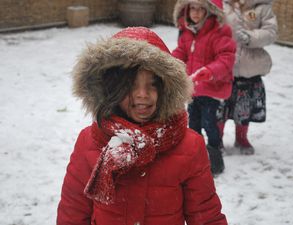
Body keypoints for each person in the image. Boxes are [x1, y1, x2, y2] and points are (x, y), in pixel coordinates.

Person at [56, 27, 228, 225]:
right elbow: (73, 212)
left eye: (153, 84)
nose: (142, 94)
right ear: (112, 89)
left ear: (166, 88)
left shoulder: (189, 146)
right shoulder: (90, 142)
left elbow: (206, 215)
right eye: (131, 85)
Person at [172, 0, 236, 175]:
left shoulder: (219, 32)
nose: (196, 13)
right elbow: (182, 52)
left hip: (211, 88)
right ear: (186, 10)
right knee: (193, 124)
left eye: (201, 9)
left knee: (210, 124)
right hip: (193, 89)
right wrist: (170, 60)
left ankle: (216, 159)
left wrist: (210, 71)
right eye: (193, 8)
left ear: (210, 11)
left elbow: (226, 58)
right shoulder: (187, 31)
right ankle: (195, 157)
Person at [217, 0, 278, 154]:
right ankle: (217, 138)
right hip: (224, 66)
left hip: (249, 67)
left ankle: (241, 137)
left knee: (244, 108)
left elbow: (271, 32)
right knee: (220, 108)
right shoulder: (222, 6)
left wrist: (251, 37)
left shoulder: (262, 7)